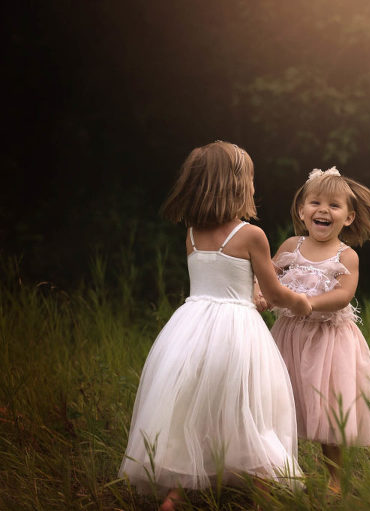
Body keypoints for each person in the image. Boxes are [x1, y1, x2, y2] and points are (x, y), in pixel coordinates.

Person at [119, 141, 311, 510]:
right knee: (247, 407)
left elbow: (215, 282)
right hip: (237, 331)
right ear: (237, 185)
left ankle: (175, 493)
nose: (254, 187)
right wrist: (300, 302)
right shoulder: (251, 235)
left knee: (195, 407)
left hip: (190, 329)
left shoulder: (191, 232)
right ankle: (262, 489)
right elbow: (272, 291)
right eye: (251, 179)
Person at [266, 166, 370, 495]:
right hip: (289, 336)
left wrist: (310, 303)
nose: (323, 210)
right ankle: (282, 470)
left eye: (334, 206)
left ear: (348, 218)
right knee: (283, 401)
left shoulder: (345, 255)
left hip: (329, 341)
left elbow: (343, 295)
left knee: (327, 411)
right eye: (315, 202)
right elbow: (267, 275)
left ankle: (334, 478)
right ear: (301, 210)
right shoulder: (291, 245)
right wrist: (259, 292)